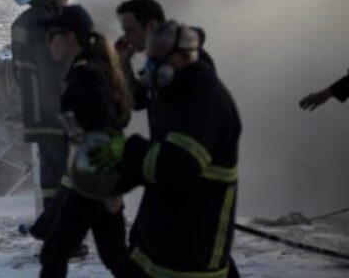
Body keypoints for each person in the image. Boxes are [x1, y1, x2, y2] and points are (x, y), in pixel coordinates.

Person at [90, 21, 242, 278]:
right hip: (164, 235)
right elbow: (158, 160)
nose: (151, 67)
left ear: (184, 56)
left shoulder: (204, 98)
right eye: (149, 59)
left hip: (193, 247)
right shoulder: (176, 90)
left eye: (157, 60)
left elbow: (180, 167)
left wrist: (129, 149)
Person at [37, 5, 131, 278]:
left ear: (70, 37)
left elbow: (108, 129)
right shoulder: (87, 70)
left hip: (95, 183)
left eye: (52, 35)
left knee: (54, 253)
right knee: (114, 256)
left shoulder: (86, 76)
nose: (48, 43)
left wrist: (112, 189)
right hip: (93, 181)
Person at [11, 0, 81, 240]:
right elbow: (56, 73)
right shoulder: (47, 27)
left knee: (51, 177)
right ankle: (64, 234)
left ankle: (51, 227)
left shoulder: (22, 22)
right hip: (55, 113)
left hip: (35, 112)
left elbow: (19, 73)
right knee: (71, 174)